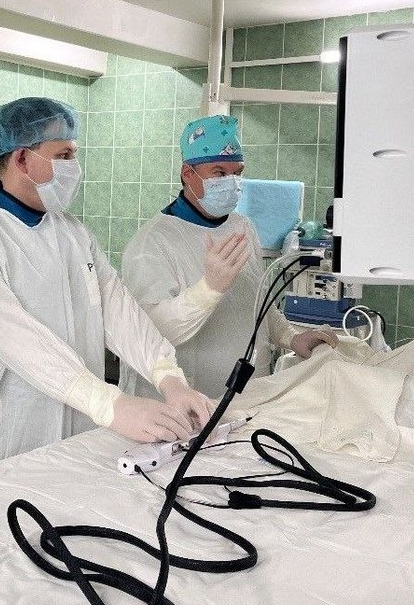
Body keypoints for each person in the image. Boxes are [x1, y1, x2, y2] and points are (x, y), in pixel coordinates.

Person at [0, 97, 214, 491]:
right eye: (63, 155)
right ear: (21, 158)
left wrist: (168, 376)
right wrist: (108, 403)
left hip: (69, 418)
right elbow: (11, 334)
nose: (74, 167)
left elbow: (118, 310)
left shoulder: (72, 232)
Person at [119, 114, 337, 400]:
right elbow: (148, 335)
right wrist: (208, 290)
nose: (231, 182)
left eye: (237, 172)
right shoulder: (151, 244)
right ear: (188, 173)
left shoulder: (242, 226)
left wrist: (291, 337)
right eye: (219, 173)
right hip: (183, 404)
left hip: (246, 398)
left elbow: (257, 302)